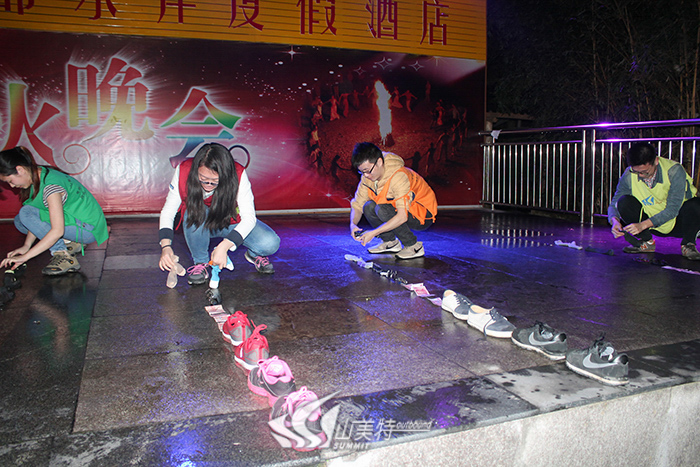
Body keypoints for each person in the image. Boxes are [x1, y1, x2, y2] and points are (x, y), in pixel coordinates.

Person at [159, 142, 280, 285]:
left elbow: (249, 218)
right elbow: (168, 211)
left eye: (214, 182)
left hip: (230, 222)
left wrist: (225, 246)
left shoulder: (238, 174)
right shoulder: (184, 171)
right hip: (200, 224)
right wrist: (166, 247)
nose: (208, 185)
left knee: (270, 243)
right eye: (203, 179)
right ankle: (201, 263)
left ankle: (254, 255)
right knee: (194, 210)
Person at [0, 146, 109, 275]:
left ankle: (62, 254)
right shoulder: (39, 174)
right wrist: (26, 246)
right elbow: (36, 217)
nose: (12, 186)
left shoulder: (51, 187)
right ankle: (70, 242)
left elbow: (58, 230)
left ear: (20, 170)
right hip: (80, 223)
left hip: (88, 229)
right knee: (20, 220)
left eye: (10, 181)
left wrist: (25, 257)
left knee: (26, 213)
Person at [607, 142, 700, 260]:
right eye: (636, 172)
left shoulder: (674, 171)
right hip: (650, 224)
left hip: (678, 221)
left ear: (656, 161)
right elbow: (614, 203)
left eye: (645, 172)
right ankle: (647, 242)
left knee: (696, 204)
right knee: (623, 202)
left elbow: (672, 210)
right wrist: (614, 220)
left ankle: (688, 244)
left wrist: (642, 225)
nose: (641, 175)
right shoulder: (629, 174)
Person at [349, 142, 437, 259]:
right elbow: (358, 205)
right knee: (368, 206)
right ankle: (390, 243)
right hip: (397, 209)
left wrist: (374, 233)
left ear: (379, 162)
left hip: (422, 214)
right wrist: (353, 225)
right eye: (362, 172)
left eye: (368, 171)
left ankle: (413, 246)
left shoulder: (398, 176)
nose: (365, 175)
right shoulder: (368, 178)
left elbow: (402, 216)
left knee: (382, 209)